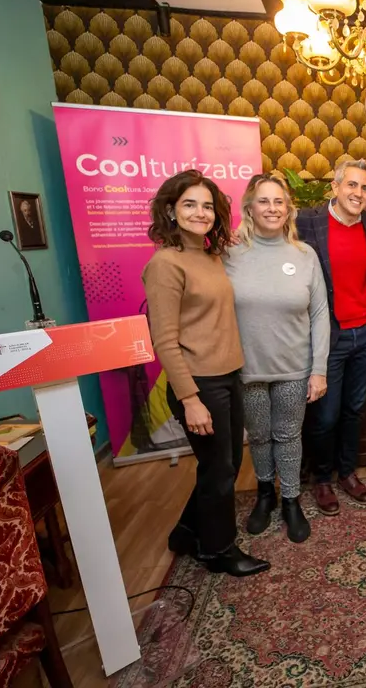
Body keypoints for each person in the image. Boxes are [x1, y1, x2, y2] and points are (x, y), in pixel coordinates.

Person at [142, 169, 269, 577]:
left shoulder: (210, 256)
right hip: (199, 384)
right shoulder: (165, 264)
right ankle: (219, 551)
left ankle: (187, 531)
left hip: (227, 375)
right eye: (189, 204)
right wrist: (191, 399)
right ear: (171, 211)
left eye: (207, 206)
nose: (200, 213)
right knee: (220, 471)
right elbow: (164, 340)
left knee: (225, 464)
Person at [224, 172, 329, 543]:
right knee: (260, 435)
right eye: (264, 201)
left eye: (279, 201)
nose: (272, 208)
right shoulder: (228, 255)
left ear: (289, 210)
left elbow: (319, 314)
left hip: (293, 368)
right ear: (249, 208)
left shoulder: (304, 255)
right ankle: (264, 494)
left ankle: (290, 501)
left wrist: (318, 371)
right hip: (247, 368)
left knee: (288, 434)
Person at [296, 158, 366, 516]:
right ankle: (322, 478)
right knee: (325, 415)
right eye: (351, 185)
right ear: (335, 187)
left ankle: (347, 472)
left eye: (364, 188)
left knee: (354, 411)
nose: (357, 193)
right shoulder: (307, 222)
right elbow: (269, 235)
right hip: (329, 337)